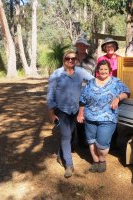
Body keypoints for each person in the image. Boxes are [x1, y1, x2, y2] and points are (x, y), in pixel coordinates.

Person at [46, 49, 94, 178]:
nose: (71, 60)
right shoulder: (56, 74)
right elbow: (50, 95)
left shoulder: (80, 72)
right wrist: (51, 113)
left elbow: (93, 81)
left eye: (74, 58)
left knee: (70, 134)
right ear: (64, 59)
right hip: (61, 111)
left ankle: (61, 154)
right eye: (68, 58)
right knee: (66, 136)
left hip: (75, 110)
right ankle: (69, 165)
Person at [77, 60, 130, 173]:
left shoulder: (116, 82)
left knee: (102, 144)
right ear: (97, 70)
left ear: (109, 71)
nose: (103, 71)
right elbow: (82, 99)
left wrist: (118, 98)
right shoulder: (90, 82)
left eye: (105, 69)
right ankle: (95, 161)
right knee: (91, 141)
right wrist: (81, 113)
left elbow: (127, 92)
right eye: (101, 69)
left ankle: (102, 160)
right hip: (90, 117)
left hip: (108, 118)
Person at [74, 37, 96, 148]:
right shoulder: (71, 58)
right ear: (77, 46)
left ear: (86, 47)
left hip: (87, 92)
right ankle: (71, 141)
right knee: (72, 115)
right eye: (80, 45)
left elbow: (95, 75)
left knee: (84, 115)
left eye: (84, 45)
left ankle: (83, 140)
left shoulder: (91, 60)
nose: (82, 47)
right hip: (72, 92)